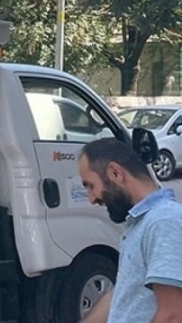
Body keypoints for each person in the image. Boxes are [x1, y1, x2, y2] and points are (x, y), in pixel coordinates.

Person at [77, 138, 182, 323]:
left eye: (91, 186)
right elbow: (125, 292)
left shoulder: (164, 222)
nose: (91, 199)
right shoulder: (142, 222)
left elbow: (173, 315)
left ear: (115, 173)